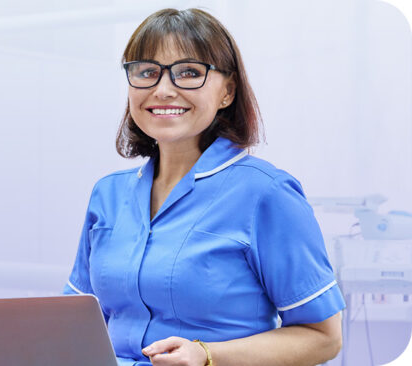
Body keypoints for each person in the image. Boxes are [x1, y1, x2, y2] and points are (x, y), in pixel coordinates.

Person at [62, 8, 345, 366]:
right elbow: (74, 319)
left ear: (227, 92)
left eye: (189, 73)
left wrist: (208, 354)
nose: (163, 90)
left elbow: (324, 338)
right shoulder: (108, 195)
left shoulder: (266, 194)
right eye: (147, 72)